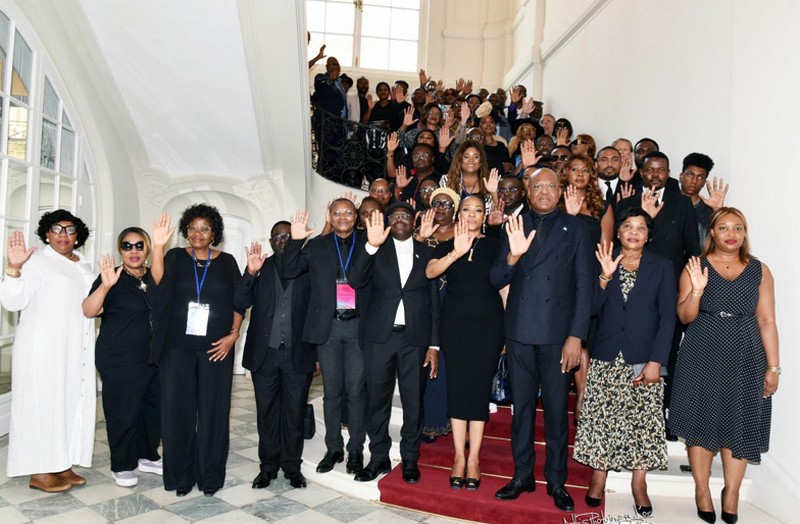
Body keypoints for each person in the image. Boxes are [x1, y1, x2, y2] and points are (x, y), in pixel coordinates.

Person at [490, 169, 593, 511]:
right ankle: (522, 476)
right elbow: (496, 278)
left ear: (560, 191)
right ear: (528, 192)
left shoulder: (577, 228)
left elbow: (584, 286)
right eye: (538, 186)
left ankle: (557, 481)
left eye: (551, 185)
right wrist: (514, 256)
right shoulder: (514, 226)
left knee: (555, 414)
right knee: (521, 411)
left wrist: (576, 336)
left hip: (558, 337)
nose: (545, 191)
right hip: (519, 332)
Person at [669, 208, 780, 524]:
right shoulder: (695, 266)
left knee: (741, 421)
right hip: (702, 349)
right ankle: (702, 491)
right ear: (712, 233)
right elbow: (685, 317)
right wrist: (698, 290)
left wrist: (774, 367)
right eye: (724, 227)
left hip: (746, 354)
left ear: (745, 234)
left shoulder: (760, 270)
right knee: (701, 419)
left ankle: (730, 494)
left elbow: (768, 320)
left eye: (739, 228)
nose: (732, 233)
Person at [573, 209, 676, 518]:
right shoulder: (603, 259)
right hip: (606, 354)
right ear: (617, 232)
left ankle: (639, 482)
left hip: (644, 357)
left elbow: (668, 317)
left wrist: (657, 360)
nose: (634, 232)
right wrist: (604, 277)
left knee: (643, 421)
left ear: (648, 234)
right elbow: (589, 308)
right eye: (628, 226)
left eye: (641, 227)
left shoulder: (662, 266)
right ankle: (599, 476)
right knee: (602, 418)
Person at [150, 205, 244, 497]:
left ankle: (210, 476)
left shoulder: (227, 262)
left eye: (204, 228)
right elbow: (156, 281)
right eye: (192, 227)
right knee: (178, 412)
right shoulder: (175, 257)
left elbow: (239, 301)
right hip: (177, 347)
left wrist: (233, 334)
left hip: (216, 348)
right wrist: (157, 246)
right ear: (185, 231)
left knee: (214, 412)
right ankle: (181, 476)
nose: (197, 233)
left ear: (214, 232)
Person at [0, 210, 95, 492]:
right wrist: (13, 268)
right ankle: (39, 472)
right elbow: (12, 301)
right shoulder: (37, 262)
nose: (63, 235)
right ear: (46, 234)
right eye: (57, 229)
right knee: (41, 406)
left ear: (78, 235)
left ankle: (60, 464)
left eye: (70, 230)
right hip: (42, 349)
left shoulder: (83, 263)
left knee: (66, 403)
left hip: (75, 347)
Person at [348, 202, 440, 484]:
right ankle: (378, 457)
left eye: (405, 216)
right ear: (387, 222)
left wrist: (434, 346)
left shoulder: (426, 253)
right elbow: (353, 280)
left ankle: (410, 459)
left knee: (413, 402)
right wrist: (371, 247)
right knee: (377, 400)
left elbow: (434, 304)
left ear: (414, 222)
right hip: (379, 338)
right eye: (394, 216)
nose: (400, 219)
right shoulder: (375, 248)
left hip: (415, 340)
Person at [281, 200, 367, 476]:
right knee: (332, 393)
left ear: (356, 217)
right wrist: (295, 241)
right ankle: (334, 448)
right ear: (329, 216)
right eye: (337, 213)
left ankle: (355, 449)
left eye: (348, 213)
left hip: (358, 328)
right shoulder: (317, 246)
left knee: (355, 393)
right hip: (327, 329)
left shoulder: (369, 243)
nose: (343, 217)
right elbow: (289, 270)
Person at [426, 196, 505, 491]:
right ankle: (459, 457)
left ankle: (475, 459)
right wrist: (454, 255)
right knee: (458, 388)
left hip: (489, 325)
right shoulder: (448, 244)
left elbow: (506, 287)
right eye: (466, 210)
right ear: (459, 215)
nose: (471, 214)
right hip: (455, 326)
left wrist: (507, 331)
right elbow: (430, 272)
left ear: (483, 216)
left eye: (476, 210)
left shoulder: (495, 246)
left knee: (478, 390)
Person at [233, 221, 315, 490]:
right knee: (267, 414)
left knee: (293, 415)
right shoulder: (260, 266)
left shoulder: (308, 267)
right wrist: (249, 273)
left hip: (298, 355)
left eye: (288, 236)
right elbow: (239, 302)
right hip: (264, 356)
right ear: (270, 241)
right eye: (278, 236)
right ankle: (267, 467)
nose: (283, 239)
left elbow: (319, 309)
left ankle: (292, 467)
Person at [82, 226, 161, 487]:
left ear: (147, 248)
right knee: (123, 412)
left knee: (152, 410)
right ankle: (123, 464)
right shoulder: (112, 278)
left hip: (152, 357)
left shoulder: (154, 276)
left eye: (139, 245)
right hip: (119, 358)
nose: (134, 251)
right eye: (127, 246)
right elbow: (89, 310)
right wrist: (104, 287)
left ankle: (146, 455)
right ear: (120, 250)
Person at [678, 152, 728, 242]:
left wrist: (718, 210)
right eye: (690, 174)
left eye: (700, 177)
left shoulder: (709, 211)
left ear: (704, 182)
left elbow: (723, 239)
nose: (694, 181)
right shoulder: (666, 203)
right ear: (681, 176)